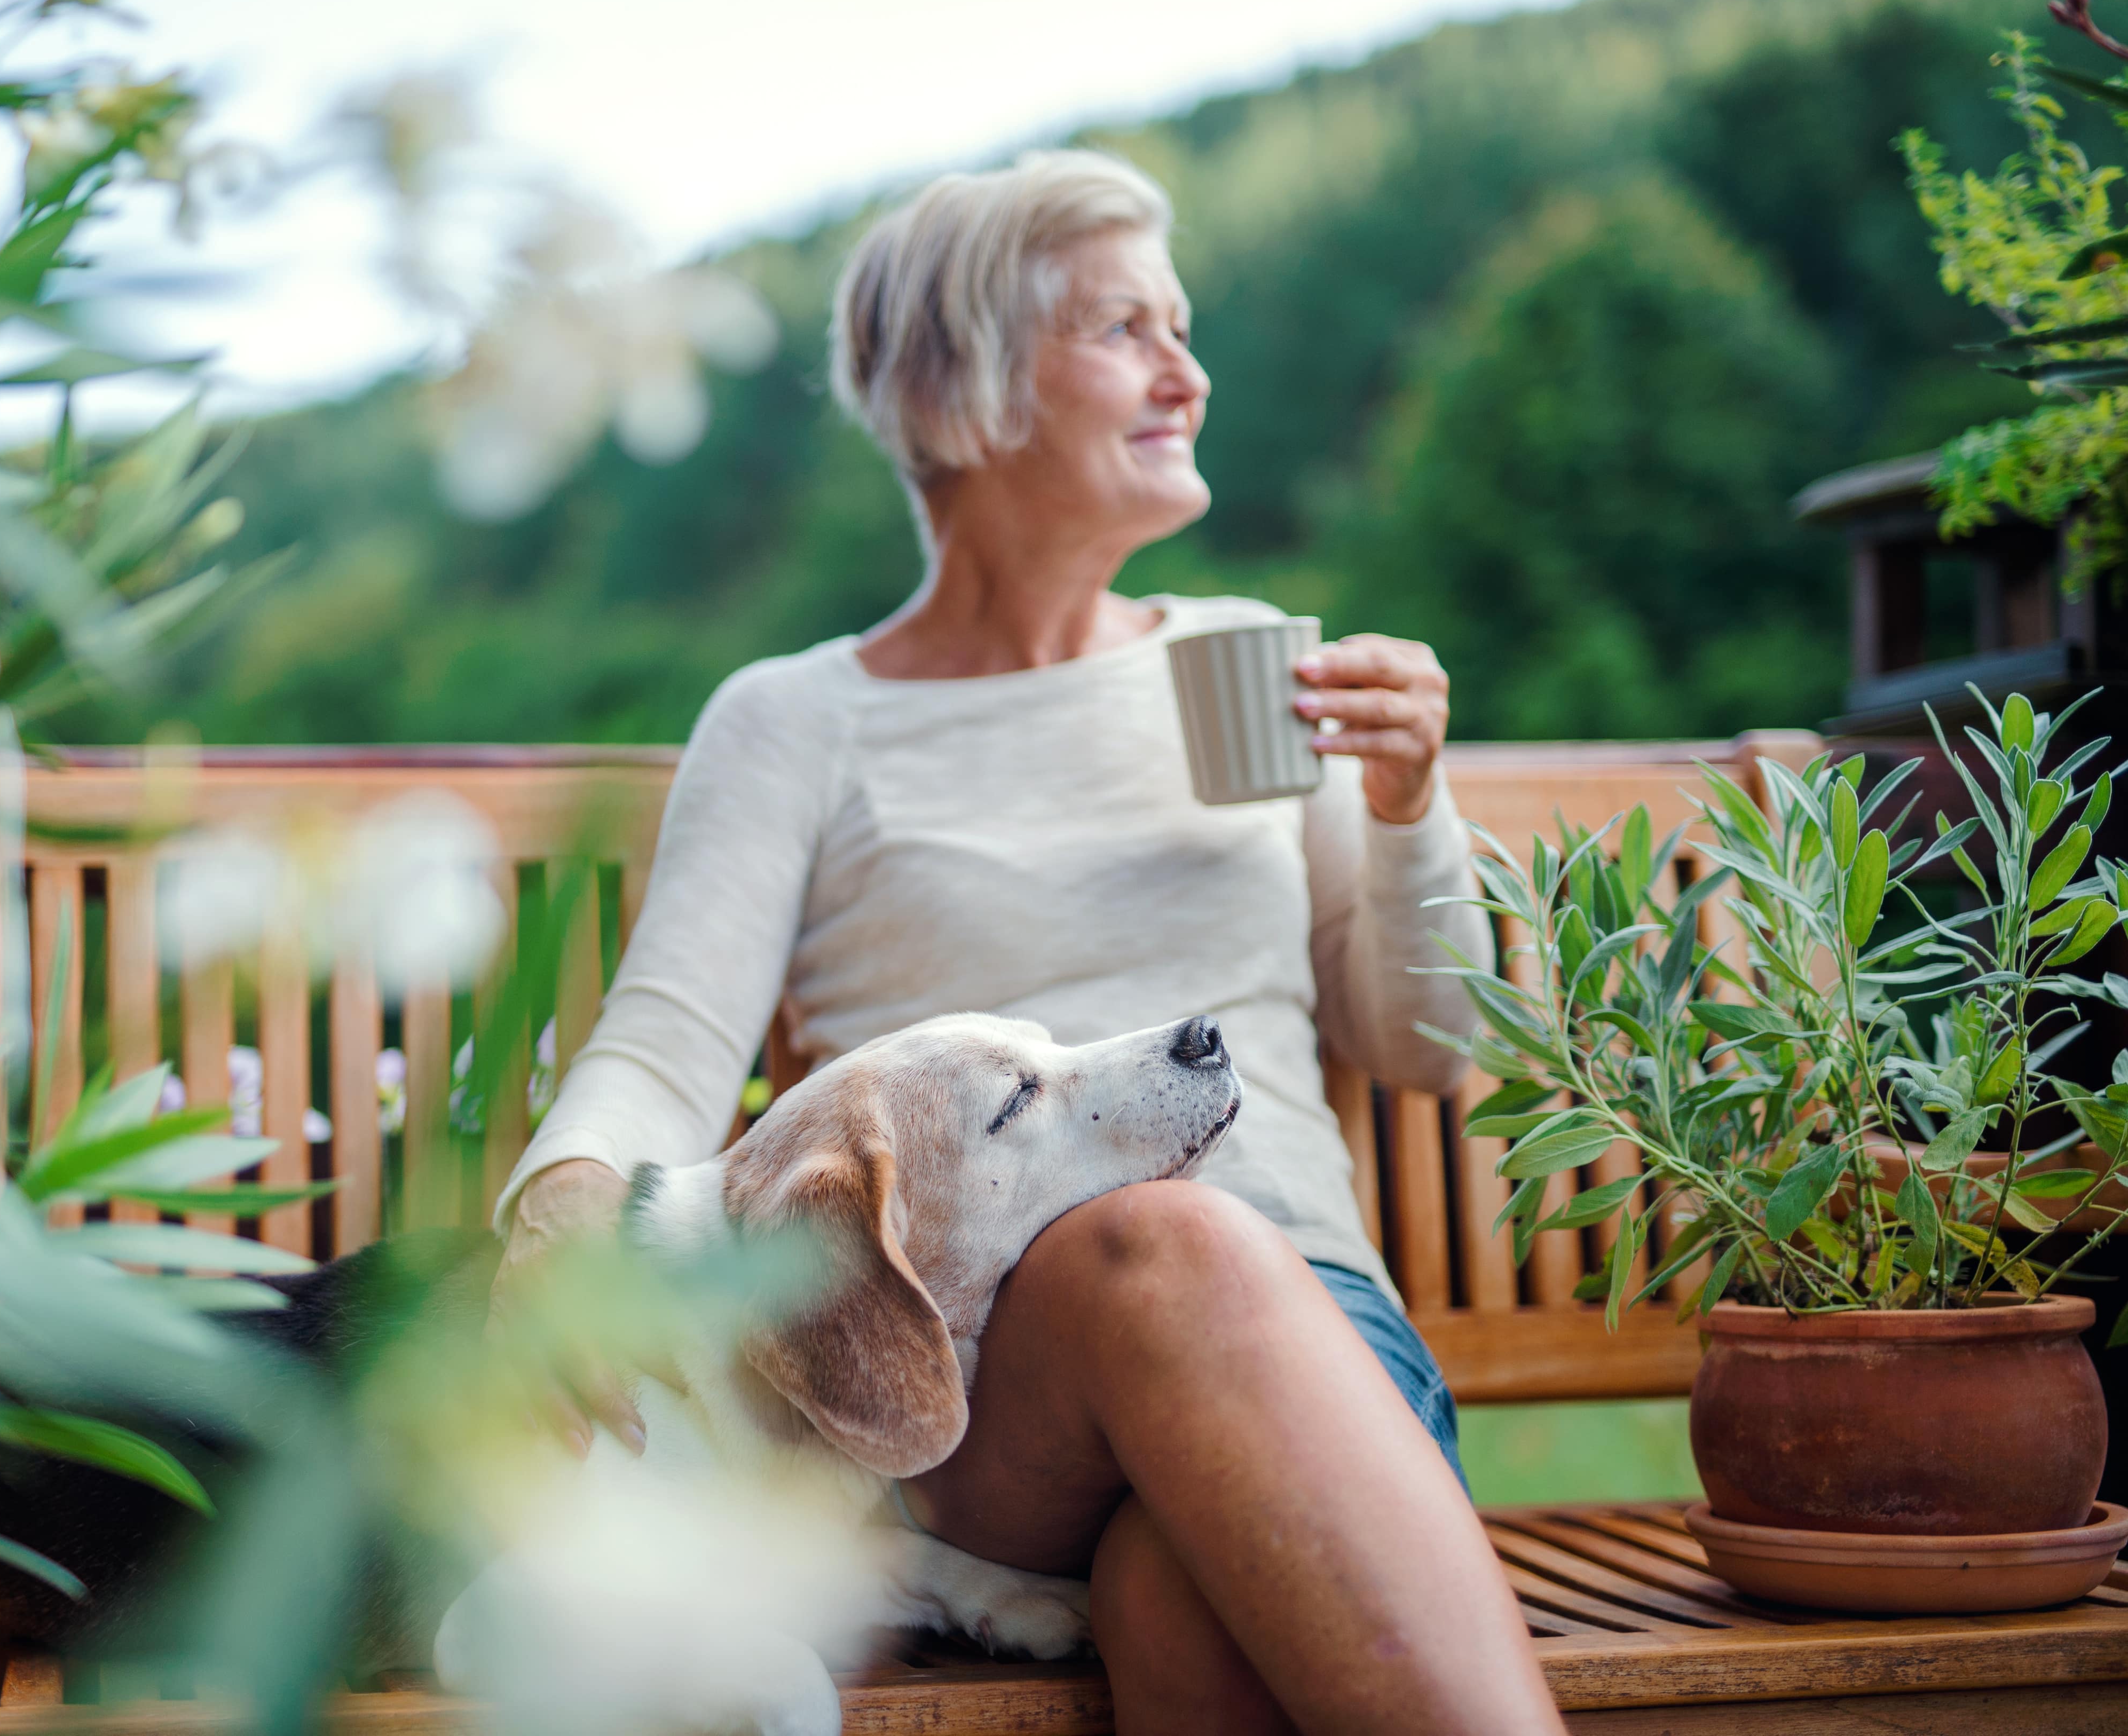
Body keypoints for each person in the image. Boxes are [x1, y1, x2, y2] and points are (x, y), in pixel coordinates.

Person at [488, 149, 1560, 1734]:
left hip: (1315, 1353)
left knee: (1179, 1604)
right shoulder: (799, 722)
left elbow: (1426, 1046)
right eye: (1127, 328)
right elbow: (666, 1045)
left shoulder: (1245, 661)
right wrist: (563, 1210)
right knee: (1162, 1237)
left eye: (1182, 327)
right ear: (967, 385)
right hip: (970, 1394)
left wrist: (1408, 804)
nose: (1189, 372)